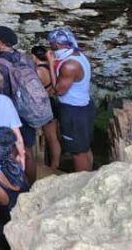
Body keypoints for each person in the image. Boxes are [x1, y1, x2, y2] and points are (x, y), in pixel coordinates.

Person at [0, 25, 51, 183]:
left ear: (2, 43)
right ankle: (31, 185)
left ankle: (15, 185)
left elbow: (0, 93)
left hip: (11, 112)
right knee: (27, 151)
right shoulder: (26, 58)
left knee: (11, 150)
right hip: (28, 110)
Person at [47, 28, 95, 172]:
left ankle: (81, 180)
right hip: (85, 106)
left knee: (77, 152)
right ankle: (89, 175)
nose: (49, 46)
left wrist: (50, 63)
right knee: (84, 147)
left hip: (73, 111)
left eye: (51, 43)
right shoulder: (78, 55)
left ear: (56, 45)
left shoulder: (69, 66)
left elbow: (58, 90)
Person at [31, 45, 62, 170]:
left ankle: (50, 165)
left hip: (43, 104)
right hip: (52, 101)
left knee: (49, 136)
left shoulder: (39, 71)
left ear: (34, 56)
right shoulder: (52, 68)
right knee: (52, 136)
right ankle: (55, 164)